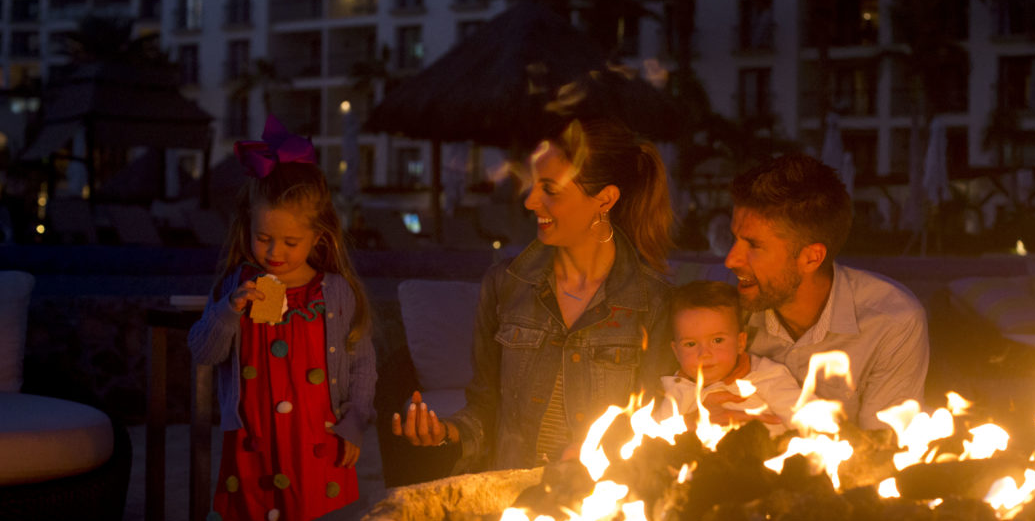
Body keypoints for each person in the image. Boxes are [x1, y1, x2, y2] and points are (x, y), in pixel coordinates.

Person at [394, 118, 676, 472]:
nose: (530, 202)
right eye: (532, 186)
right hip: (512, 505)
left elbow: (654, 429)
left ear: (604, 199)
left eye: (550, 190)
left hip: (598, 508)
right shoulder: (506, 285)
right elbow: (484, 408)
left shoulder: (652, 301)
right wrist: (447, 433)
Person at [188, 115, 377, 521]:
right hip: (253, 448)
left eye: (291, 242)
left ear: (318, 236)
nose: (275, 253)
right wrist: (228, 311)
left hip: (319, 447)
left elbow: (362, 362)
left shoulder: (334, 293)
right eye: (264, 238)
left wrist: (355, 422)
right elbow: (202, 349)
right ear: (247, 228)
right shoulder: (237, 286)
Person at [715, 154, 928, 430]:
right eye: (735, 239)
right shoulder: (720, 310)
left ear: (811, 259)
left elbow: (882, 448)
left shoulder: (892, 321)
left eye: (753, 245)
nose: (731, 260)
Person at [657, 280, 805, 437]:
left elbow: (809, 421)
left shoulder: (766, 376)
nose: (704, 354)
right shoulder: (678, 390)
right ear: (676, 352)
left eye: (717, 340)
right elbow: (654, 441)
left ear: (740, 343)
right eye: (691, 344)